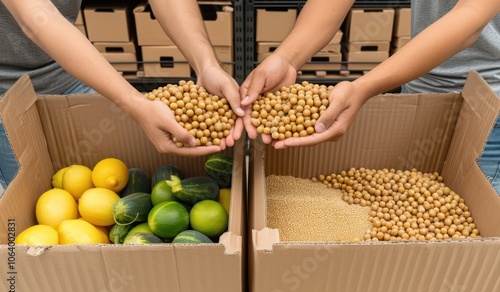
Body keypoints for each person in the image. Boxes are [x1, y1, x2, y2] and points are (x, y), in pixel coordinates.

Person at [240, 0, 500, 192]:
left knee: (474, 245)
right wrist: (286, 58)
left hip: (489, 106)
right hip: (422, 86)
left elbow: (472, 15)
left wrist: (364, 87)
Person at [0, 0, 244, 191]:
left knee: (114, 180)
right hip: (5, 95)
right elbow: (35, 15)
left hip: (70, 71)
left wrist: (206, 64)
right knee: (27, 207)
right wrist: (134, 102)